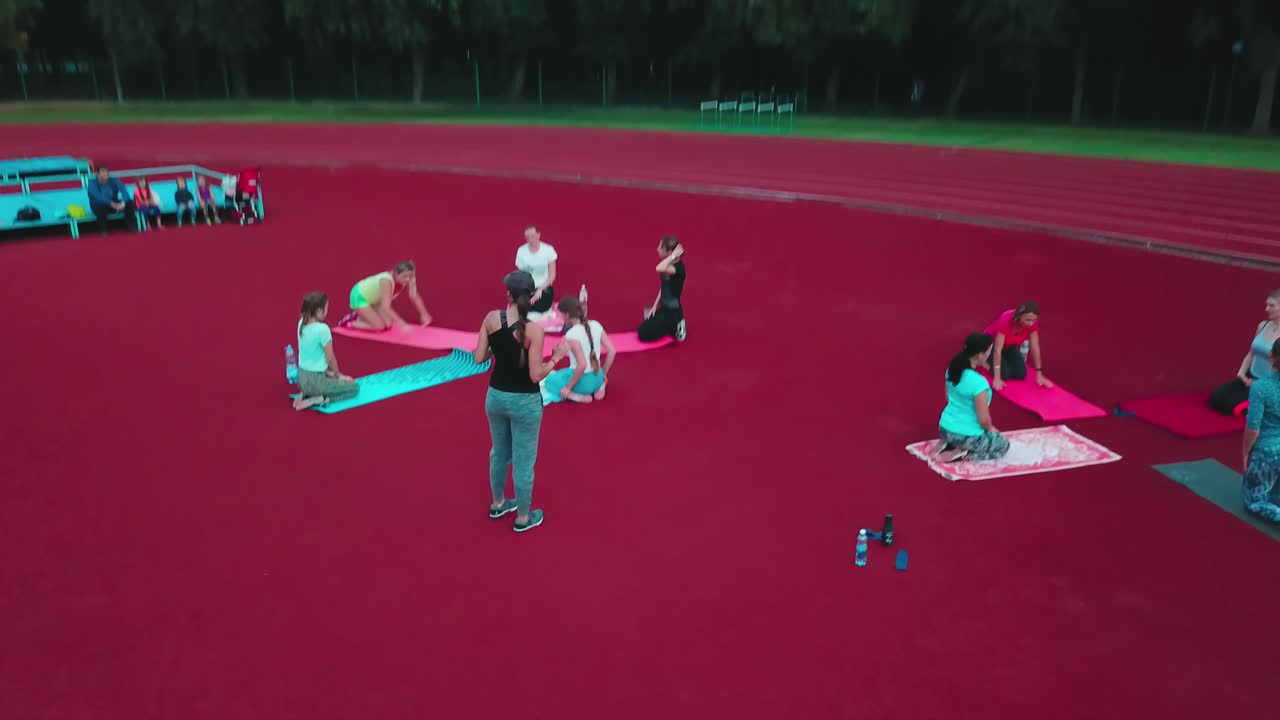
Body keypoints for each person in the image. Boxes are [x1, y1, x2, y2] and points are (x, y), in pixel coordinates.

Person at [474, 270, 569, 533]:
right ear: (530, 296)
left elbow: (479, 358)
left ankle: (498, 503)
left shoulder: (492, 319)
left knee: (499, 452)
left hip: (496, 396)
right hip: (525, 402)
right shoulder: (534, 331)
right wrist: (557, 357)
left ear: (508, 295)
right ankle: (524, 518)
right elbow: (535, 374)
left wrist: (498, 343)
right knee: (524, 461)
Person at [937, 333, 1010, 463]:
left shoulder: (951, 370)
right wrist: (990, 429)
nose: (989, 354)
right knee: (1004, 445)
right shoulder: (979, 383)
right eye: (989, 351)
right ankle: (966, 455)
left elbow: (948, 398)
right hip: (965, 435)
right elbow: (984, 419)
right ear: (981, 354)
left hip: (944, 428)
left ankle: (953, 445)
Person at [1210, 290, 1280, 416]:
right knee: (1216, 397)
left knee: (1232, 405)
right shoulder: (1263, 326)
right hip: (1250, 376)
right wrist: (1242, 373)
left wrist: (1262, 385)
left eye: (1271, 306)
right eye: (1267, 305)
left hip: (1268, 384)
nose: (1266, 309)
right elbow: (1251, 353)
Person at [541, 296, 615, 404]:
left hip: (582, 383)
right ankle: (600, 387)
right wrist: (603, 373)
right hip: (597, 376)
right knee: (584, 377)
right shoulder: (596, 324)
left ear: (567, 314)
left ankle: (576, 396)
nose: (561, 317)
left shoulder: (572, 334)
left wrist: (568, 387)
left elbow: (582, 365)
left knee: (550, 381)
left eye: (561, 314)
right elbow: (612, 351)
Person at [294, 292, 359, 411]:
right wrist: (339, 376)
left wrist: (330, 374)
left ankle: (307, 393)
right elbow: (330, 358)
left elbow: (313, 358)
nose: (327, 311)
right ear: (319, 311)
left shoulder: (301, 322)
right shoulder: (322, 329)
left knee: (330, 378)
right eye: (327, 308)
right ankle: (318, 399)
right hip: (315, 382)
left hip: (301, 378)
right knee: (354, 388)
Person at [1242, 339, 1280, 522]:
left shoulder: (1261, 387)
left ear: (1271, 356)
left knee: (1253, 501)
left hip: (1269, 452)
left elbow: (1253, 428)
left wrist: (1245, 452)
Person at [342, 261, 432, 332]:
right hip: (360, 297)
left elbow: (414, 295)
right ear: (396, 273)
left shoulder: (408, 277)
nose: (408, 279)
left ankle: (363, 315)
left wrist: (424, 314)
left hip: (375, 299)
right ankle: (350, 322)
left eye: (410, 276)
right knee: (379, 326)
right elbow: (386, 308)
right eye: (405, 276)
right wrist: (403, 324)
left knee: (388, 324)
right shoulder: (386, 282)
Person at [984, 302, 1052, 390]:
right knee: (1004, 374)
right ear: (1019, 316)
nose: (1031, 323)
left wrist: (1039, 374)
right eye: (1028, 320)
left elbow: (1035, 347)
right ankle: (982, 360)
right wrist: (997, 378)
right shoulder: (1005, 320)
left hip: (1009, 345)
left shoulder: (1032, 323)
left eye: (1034, 320)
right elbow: (997, 349)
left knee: (1020, 374)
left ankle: (1002, 361)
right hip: (990, 345)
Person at [638, 235, 688, 342]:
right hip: (664, 308)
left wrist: (673, 256)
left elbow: (658, 268)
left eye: (660, 247)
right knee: (646, 322)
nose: (657, 249)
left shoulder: (677, 269)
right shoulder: (669, 264)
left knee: (643, 334)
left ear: (669, 251)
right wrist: (655, 306)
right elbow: (664, 287)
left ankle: (676, 326)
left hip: (673, 311)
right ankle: (670, 325)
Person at [515, 226, 558, 316]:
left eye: (533, 236)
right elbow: (521, 276)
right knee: (524, 308)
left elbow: (552, 275)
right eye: (527, 237)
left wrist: (540, 289)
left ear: (538, 235)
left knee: (541, 307)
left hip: (544, 288)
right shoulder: (521, 251)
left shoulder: (548, 250)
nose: (530, 239)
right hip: (527, 288)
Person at [85, 166, 136, 236]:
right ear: (97, 173)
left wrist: (123, 203)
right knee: (100, 208)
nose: (106, 173)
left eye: (107, 171)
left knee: (130, 203)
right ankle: (103, 229)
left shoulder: (114, 180)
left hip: (115, 204)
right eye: (103, 171)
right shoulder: (92, 184)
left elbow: (125, 192)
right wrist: (111, 203)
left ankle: (131, 226)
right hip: (100, 205)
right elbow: (98, 197)